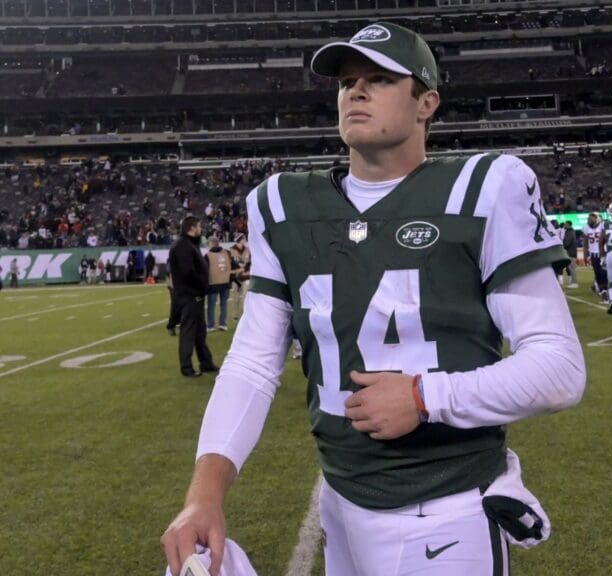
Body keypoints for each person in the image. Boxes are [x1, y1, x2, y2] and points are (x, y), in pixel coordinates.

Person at [161, 22, 586, 576]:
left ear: (426, 102)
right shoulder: (283, 205)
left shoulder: (484, 188)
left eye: (380, 79)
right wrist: (205, 493)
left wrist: (424, 396)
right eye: (347, 81)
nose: (355, 92)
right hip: (342, 503)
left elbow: (559, 367)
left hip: (448, 506)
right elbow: (252, 363)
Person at [168, 216, 218, 378]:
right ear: (191, 228)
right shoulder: (183, 246)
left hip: (194, 295)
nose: (201, 229)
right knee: (188, 332)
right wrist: (202, 285)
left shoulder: (188, 244)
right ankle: (186, 367)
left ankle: (206, 362)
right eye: (198, 226)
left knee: (200, 333)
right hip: (189, 295)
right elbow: (187, 272)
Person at [205, 236, 232, 331]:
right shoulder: (227, 253)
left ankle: (211, 325)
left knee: (211, 305)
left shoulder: (208, 255)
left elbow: (205, 271)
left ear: (211, 243)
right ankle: (223, 324)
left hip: (213, 283)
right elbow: (232, 267)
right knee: (224, 304)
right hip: (225, 282)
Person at [582, 211, 608, 303]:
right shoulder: (586, 228)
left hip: (602, 253)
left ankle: (605, 292)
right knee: (597, 274)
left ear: (597, 218)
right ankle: (602, 291)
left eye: (592, 217)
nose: (589, 219)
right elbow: (585, 244)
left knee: (603, 274)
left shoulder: (603, 225)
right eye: (589, 217)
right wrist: (585, 255)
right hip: (593, 254)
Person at [228, 234, 251, 320]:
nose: (245, 240)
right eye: (244, 239)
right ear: (240, 239)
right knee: (236, 297)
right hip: (235, 277)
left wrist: (244, 268)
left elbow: (250, 262)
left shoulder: (247, 250)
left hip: (245, 276)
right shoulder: (231, 250)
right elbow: (230, 263)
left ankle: (245, 314)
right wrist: (238, 268)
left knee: (245, 296)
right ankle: (235, 315)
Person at [561, 220, 578, 289]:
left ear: (569, 225)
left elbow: (567, 243)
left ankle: (574, 283)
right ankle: (572, 282)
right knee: (571, 268)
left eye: (565, 224)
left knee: (572, 268)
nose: (564, 225)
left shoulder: (569, 232)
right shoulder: (570, 232)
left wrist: (562, 246)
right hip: (571, 252)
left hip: (570, 252)